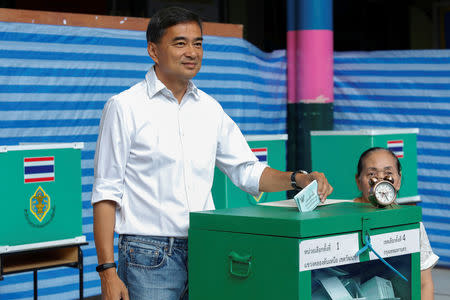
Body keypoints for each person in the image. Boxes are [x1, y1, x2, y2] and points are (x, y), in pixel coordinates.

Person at [91, 6, 333, 300]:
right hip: (148, 255)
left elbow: (247, 171)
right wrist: (107, 270)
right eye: (180, 43)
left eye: (198, 43)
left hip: (206, 244)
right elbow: (106, 192)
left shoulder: (210, 109)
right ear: (153, 51)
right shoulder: (125, 107)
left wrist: (298, 179)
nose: (192, 52)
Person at [354, 147, 439, 300]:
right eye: (372, 174)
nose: (380, 180)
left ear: (398, 181)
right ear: (358, 181)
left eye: (388, 174)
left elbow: (424, 284)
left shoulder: (411, 223)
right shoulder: (344, 219)